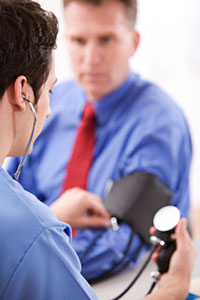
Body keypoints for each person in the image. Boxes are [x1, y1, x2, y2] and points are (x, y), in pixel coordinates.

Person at [0, 1, 197, 299]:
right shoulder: (46, 102)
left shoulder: (160, 124)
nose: (90, 59)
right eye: (79, 41)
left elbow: (122, 246)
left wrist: (43, 244)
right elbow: (15, 203)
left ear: (133, 42)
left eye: (106, 40)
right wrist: (41, 238)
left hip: (119, 280)